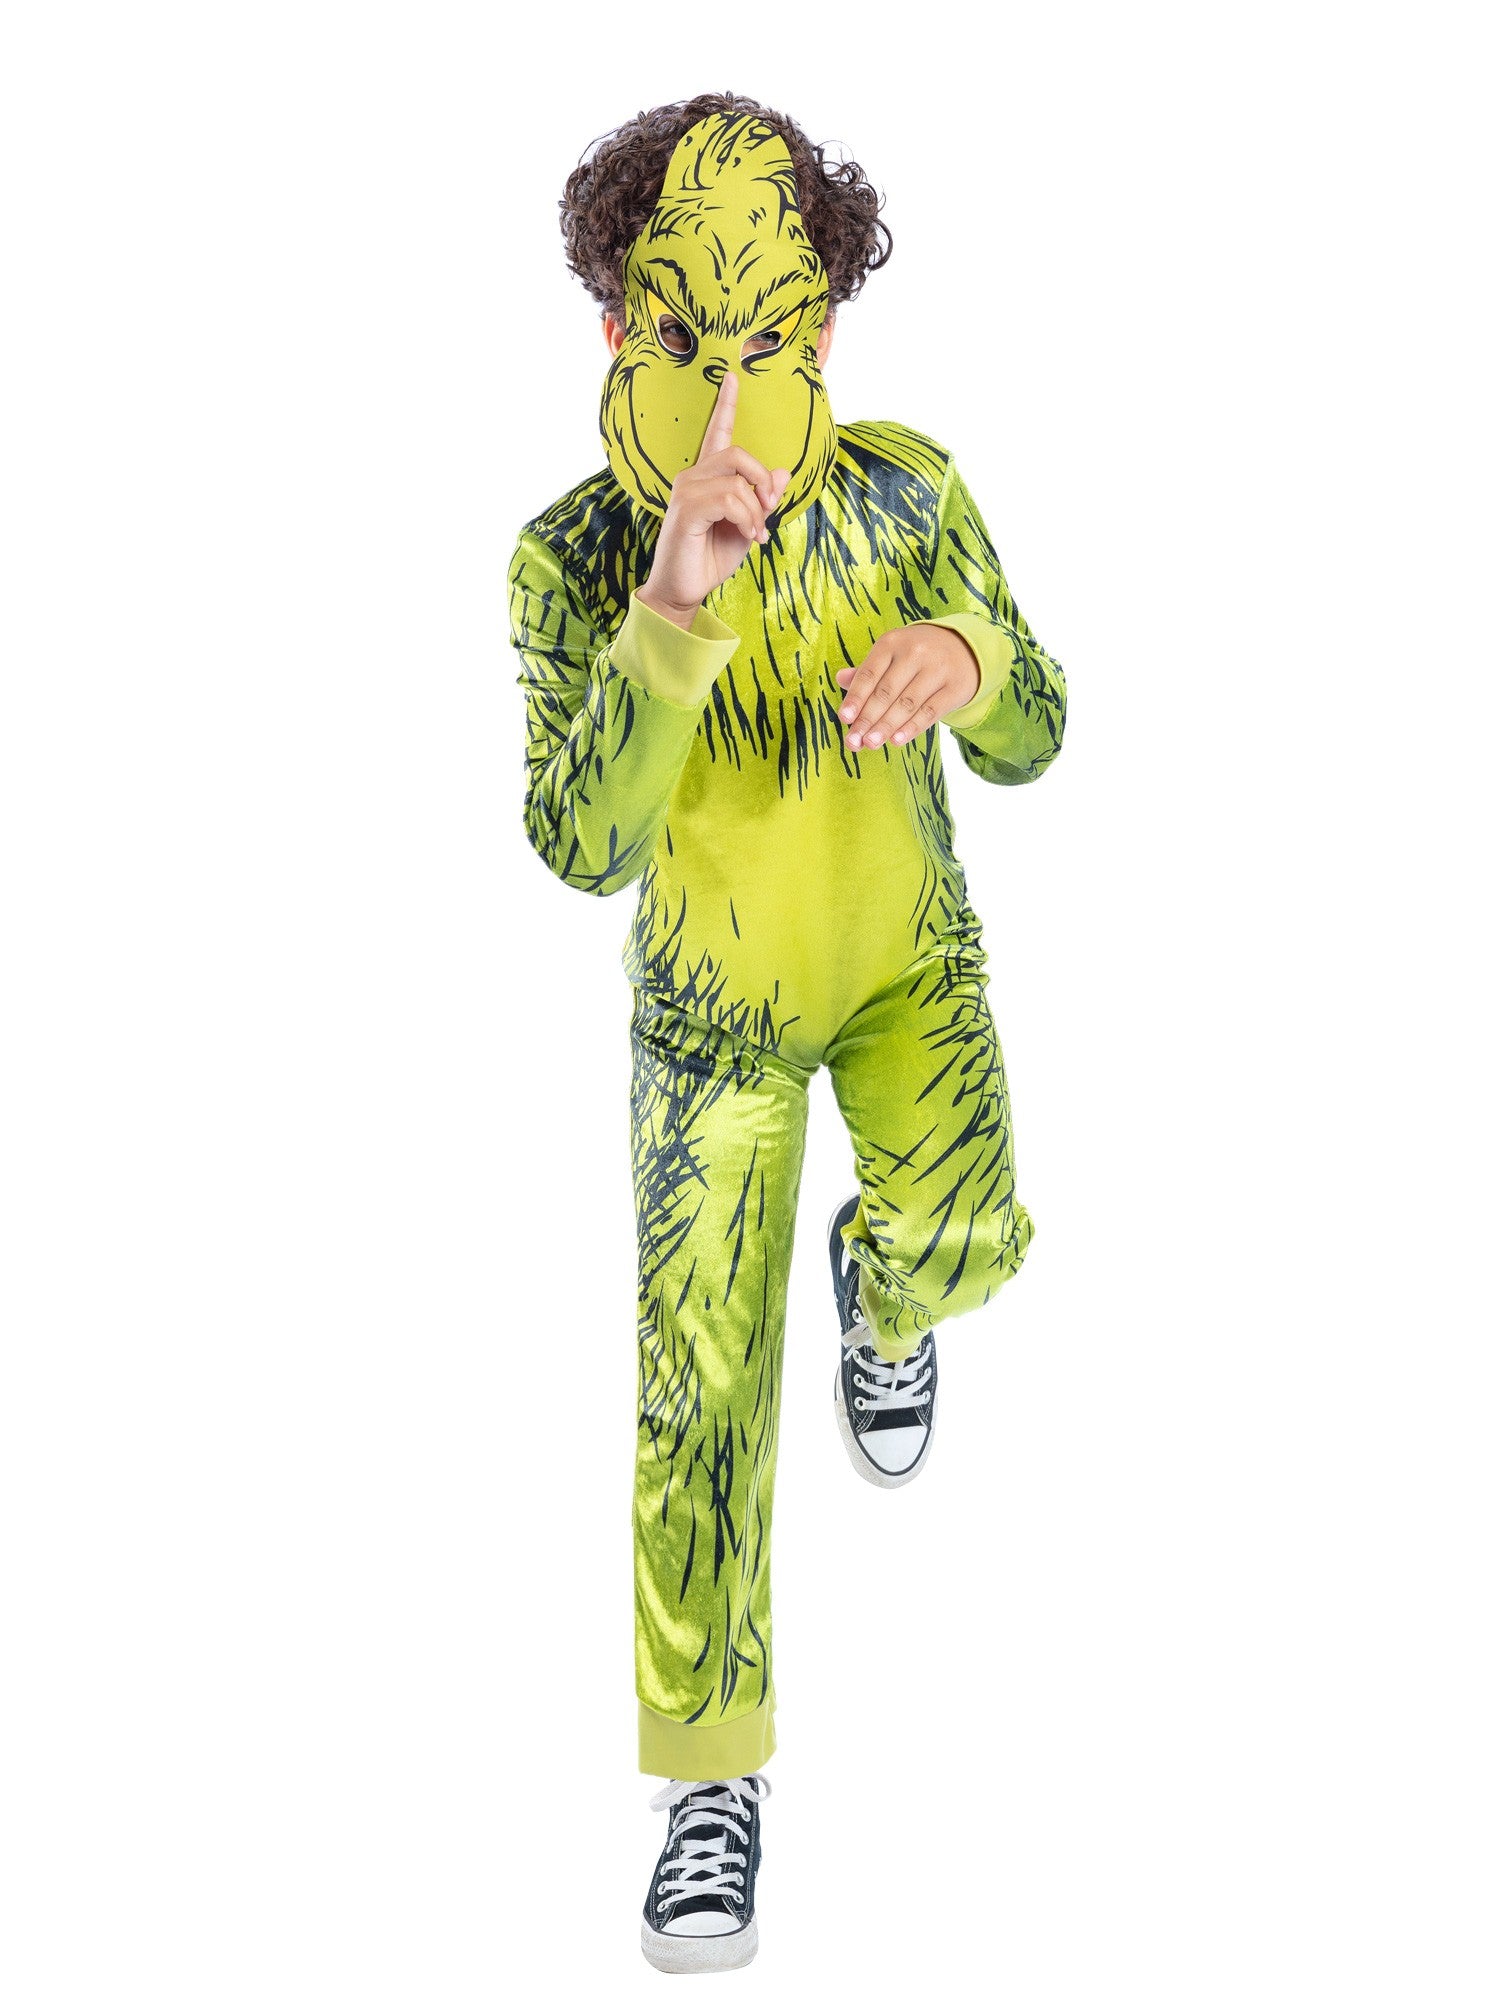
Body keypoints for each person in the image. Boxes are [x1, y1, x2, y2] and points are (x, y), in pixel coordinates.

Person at [507, 92, 1067, 1973]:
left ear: (824, 329)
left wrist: (968, 662)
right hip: (709, 1032)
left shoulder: (909, 495)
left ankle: (888, 1296)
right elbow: (580, 845)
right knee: (701, 1396)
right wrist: (672, 609)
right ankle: (708, 1782)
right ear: (617, 331)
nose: (734, 392)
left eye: (774, 339)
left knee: (969, 1232)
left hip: (906, 969)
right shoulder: (567, 563)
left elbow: (1043, 720)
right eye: (687, 339)